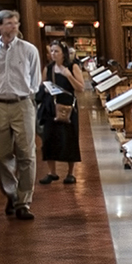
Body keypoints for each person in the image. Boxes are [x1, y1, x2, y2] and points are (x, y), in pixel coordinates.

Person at [0, 10, 41, 219]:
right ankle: (12, 193)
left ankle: (23, 202)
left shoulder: (29, 50)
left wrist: (27, 95)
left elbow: (35, 78)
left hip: (22, 103)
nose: (13, 27)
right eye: (8, 23)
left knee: (27, 154)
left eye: (16, 23)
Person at [36, 41, 85, 185]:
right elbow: (42, 85)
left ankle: (70, 173)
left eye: (56, 51)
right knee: (49, 139)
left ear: (63, 53)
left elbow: (81, 88)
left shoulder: (72, 67)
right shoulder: (49, 68)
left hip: (68, 107)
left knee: (69, 139)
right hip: (51, 108)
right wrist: (44, 89)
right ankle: (52, 172)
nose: (53, 54)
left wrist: (68, 76)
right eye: (51, 51)